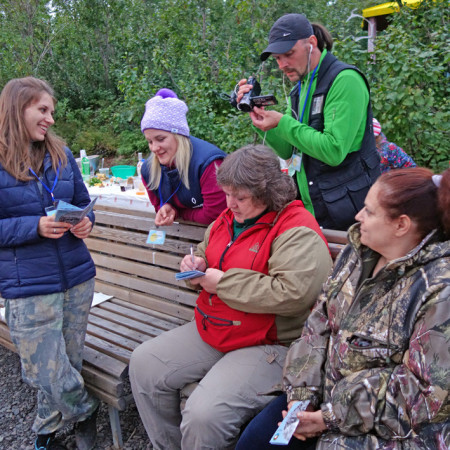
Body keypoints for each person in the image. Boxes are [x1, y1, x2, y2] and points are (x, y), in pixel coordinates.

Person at [129, 144, 333, 449]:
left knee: (203, 415)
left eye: (240, 197)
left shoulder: (296, 229)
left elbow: (294, 294)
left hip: (271, 342)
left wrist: (221, 283)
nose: (230, 203)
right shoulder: (226, 219)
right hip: (217, 326)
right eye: (226, 194)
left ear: (269, 192)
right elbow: (205, 254)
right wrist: (194, 266)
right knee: (144, 363)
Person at [236, 167, 450, 449]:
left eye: (370, 212)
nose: (358, 216)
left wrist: (329, 417)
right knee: (255, 443)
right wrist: (301, 395)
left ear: (402, 225)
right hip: (323, 394)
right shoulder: (359, 253)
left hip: (392, 426)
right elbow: (319, 322)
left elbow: (425, 392)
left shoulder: (439, 288)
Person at [0, 77, 99, 450]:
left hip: (76, 277)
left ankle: (46, 430)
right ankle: (85, 411)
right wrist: (35, 226)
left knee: (67, 361)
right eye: (43, 110)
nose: (50, 119)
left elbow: (83, 200)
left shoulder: (62, 154)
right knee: (44, 368)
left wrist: (88, 222)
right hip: (28, 284)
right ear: (17, 108)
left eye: (52, 111)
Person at [237, 14, 381, 231]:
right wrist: (261, 117)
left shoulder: (345, 80)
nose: (283, 65)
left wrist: (283, 122)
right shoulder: (300, 88)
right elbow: (288, 150)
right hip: (316, 210)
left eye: (289, 54)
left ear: (311, 44)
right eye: (277, 58)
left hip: (352, 215)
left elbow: (333, 150)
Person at [140, 88, 227, 226]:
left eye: (161, 139)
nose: (154, 148)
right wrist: (166, 209)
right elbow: (159, 206)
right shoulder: (148, 170)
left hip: (217, 234)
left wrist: (179, 213)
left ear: (179, 135)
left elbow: (214, 214)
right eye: (150, 141)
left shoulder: (209, 163)